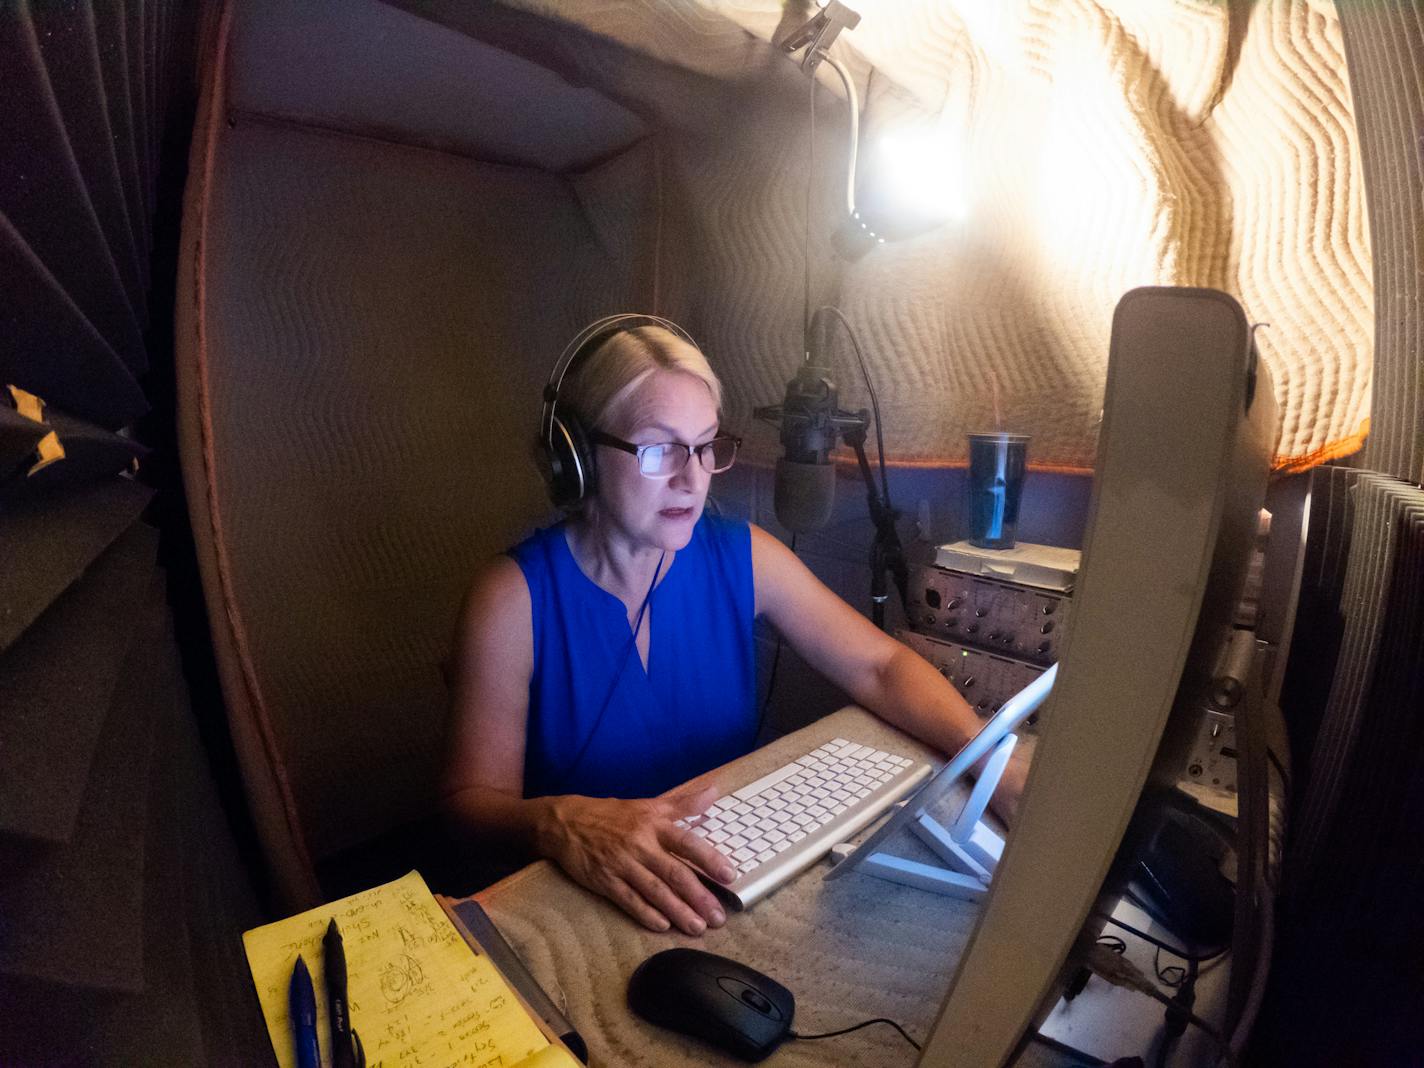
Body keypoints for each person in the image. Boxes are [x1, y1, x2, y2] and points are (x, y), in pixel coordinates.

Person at [443, 320, 1028, 937]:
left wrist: (994, 764)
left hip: (726, 882)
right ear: (578, 458)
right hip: (579, 908)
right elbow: (467, 811)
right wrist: (556, 821)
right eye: (658, 449)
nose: (692, 479)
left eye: (703, 446)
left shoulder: (745, 554)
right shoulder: (510, 597)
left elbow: (880, 667)